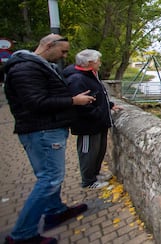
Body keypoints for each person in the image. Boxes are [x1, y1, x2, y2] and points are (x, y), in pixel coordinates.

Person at [3, 34, 96, 244]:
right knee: (50, 179)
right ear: (48, 45)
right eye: (62, 51)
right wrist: (74, 100)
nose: (65, 56)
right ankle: (22, 235)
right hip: (42, 131)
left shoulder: (35, 66)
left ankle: (55, 210)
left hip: (46, 130)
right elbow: (35, 102)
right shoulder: (25, 68)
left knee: (50, 178)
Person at [63, 49, 122, 190]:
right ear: (90, 63)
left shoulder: (90, 75)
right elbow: (80, 105)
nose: (100, 63)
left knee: (98, 151)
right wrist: (97, 114)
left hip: (98, 123)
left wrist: (110, 106)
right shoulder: (77, 79)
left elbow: (97, 97)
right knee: (88, 152)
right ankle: (88, 181)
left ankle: (95, 174)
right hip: (87, 125)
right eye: (98, 61)